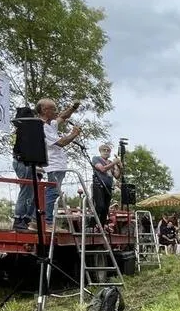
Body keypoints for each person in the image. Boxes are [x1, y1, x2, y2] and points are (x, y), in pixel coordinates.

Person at [36, 98, 82, 227]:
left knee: (54, 192)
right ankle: (47, 221)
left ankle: (46, 220)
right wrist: (74, 134)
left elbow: (62, 116)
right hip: (53, 164)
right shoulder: (42, 127)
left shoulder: (51, 124)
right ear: (45, 110)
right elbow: (61, 143)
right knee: (53, 192)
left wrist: (73, 108)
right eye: (53, 109)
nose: (56, 111)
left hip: (58, 164)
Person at [90, 143, 120, 228]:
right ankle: (92, 225)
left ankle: (101, 226)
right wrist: (114, 163)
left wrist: (119, 166)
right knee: (100, 206)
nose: (106, 152)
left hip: (108, 187)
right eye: (104, 150)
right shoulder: (96, 158)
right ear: (100, 151)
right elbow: (102, 169)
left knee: (106, 209)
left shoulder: (110, 162)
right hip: (98, 185)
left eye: (108, 150)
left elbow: (117, 176)